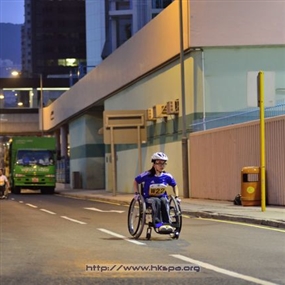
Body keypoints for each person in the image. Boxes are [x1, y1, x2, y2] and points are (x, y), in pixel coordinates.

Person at [133, 152, 179, 232]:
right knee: (156, 201)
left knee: (164, 201)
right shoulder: (147, 175)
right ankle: (158, 224)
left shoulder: (167, 176)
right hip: (149, 198)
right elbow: (136, 181)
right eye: (159, 163)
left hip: (162, 197)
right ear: (154, 164)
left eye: (164, 163)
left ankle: (167, 223)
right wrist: (136, 193)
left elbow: (175, 185)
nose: (162, 166)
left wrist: (177, 197)